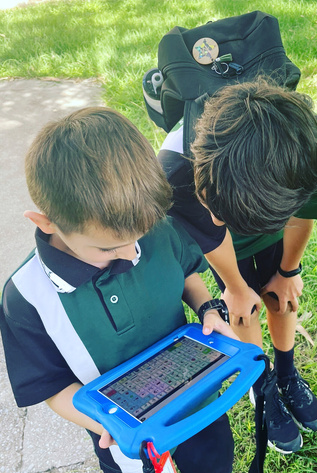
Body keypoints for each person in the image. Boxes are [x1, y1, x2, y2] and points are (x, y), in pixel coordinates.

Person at [0, 107, 237, 473]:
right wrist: (113, 428)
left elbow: (187, 270)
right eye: (109, 248)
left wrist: (208, 307)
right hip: (129, 445)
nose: (131, 253)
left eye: (138, 238)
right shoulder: (26, 298)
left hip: (198, 404)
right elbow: (50, 386)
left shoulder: (155, 228)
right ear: (47, 224)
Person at [157, 79, 317, 453]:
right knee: (243, 310)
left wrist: (289, 270)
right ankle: (262, 385)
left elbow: (302, 213)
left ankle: (286, 372)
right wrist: (233, 286)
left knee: (282, 297)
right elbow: (211, 232)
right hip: (224, 247)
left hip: (274, 221)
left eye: (220, 212)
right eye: (210, 207)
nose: (215, 217)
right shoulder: (174, 169)